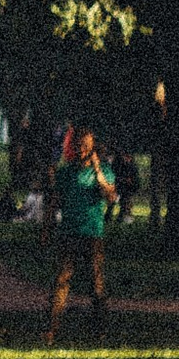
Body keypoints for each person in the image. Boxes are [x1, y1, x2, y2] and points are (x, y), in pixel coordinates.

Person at [42, 125, 118, 340]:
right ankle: (52, 328)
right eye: (79, 146)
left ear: (93, 147)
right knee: (61, 280)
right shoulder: (66, 172)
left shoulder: (103, 169)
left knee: (96, 282)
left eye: (86, 146)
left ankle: (99, 329)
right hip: (69, 231)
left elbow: (110, 197)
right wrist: (47, 229)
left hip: (93, 232)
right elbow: (54, 202)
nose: (82, 150)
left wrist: (98, 172)